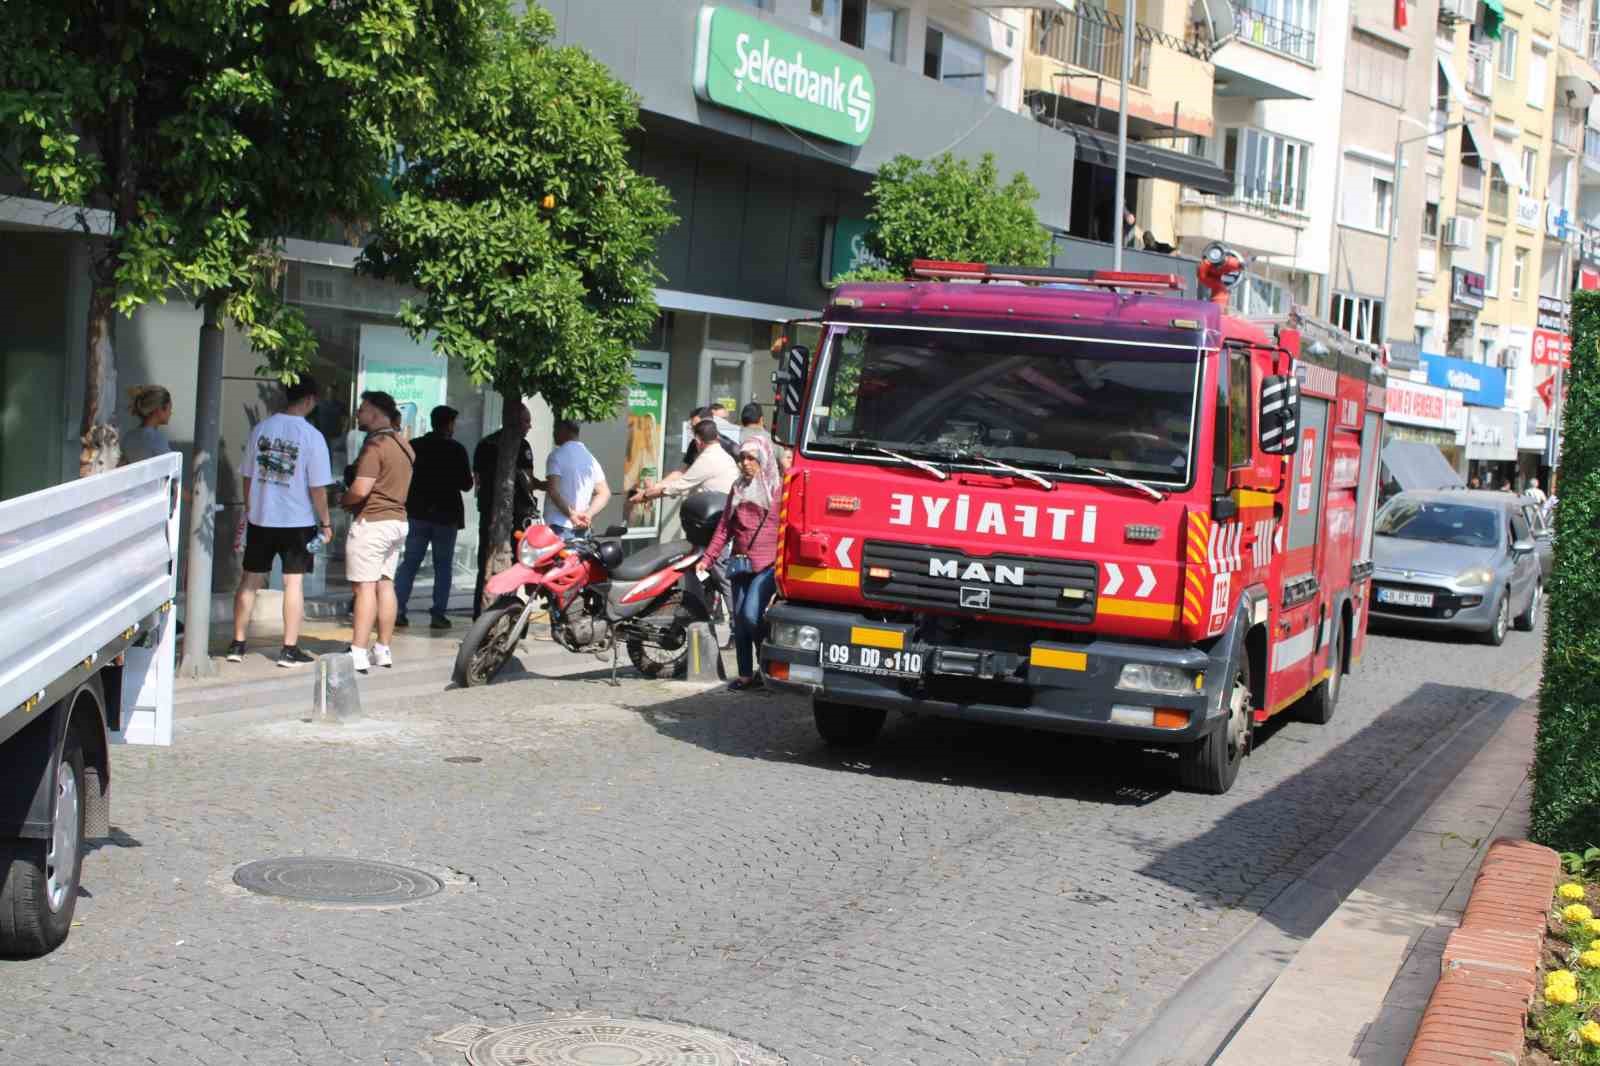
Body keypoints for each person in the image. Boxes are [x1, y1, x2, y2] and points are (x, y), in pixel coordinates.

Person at [228, 375, 334, 668]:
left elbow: (247, 475)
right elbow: (318, 488)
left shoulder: (262, 429)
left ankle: (237, 644)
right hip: (297, 521)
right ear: (310, 400)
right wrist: (325, 523)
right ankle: (288, 649)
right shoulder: (312, 436)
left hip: (261, 518)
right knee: (293, 584)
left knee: (249, 580)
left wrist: (251, 508)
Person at [698, 435, 781, 691]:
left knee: (751, 616)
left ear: (763, 459)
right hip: (740, 563)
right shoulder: (737, 488)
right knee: (739, 619)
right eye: (742, 458)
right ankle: (746, 674)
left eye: (751, 458)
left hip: (767, 565)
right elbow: (725, 527)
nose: (745, 463)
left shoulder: (778, 489)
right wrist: (707, 558)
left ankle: (767, 665)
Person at [342, 391, 415, 674]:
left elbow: (361, 489)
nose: (358, 414)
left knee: (364, 587)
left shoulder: (376, 445)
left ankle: (358, 651)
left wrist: (344, 499)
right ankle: (383, 648)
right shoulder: (404, 444)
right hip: (397, 520)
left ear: (374, 411)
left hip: (372, 522)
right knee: (385, 584)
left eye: (362, 409)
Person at [394, 405, 473, 629]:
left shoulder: (415, 446)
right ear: (449, 424)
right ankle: (438, 614)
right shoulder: (457, 450)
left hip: (418, 513)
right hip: (446, 516)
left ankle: (398, 610)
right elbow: (466, 485)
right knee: (443, 566)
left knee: (410, 563)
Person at [473, 404, 542, 618]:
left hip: (488, 512)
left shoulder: (484, 443)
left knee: (485, 560)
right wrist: (544, 485)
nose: (529, 426)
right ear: (513, 421)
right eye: (526, 421)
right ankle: (507, 612)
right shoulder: (520, 445)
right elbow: (528, 481)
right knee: (515, 565)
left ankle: (481, 611)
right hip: (515, 515)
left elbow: (477, 480)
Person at [636, 419, 739, 506]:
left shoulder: (708, 458)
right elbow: (682, 475)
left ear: (698, 441)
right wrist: (654, 488)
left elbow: (681, 484)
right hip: (723, 506)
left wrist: (647, 495)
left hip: (716, 512)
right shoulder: (723, 454)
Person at [543, 419, 612, 539]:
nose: (554, 433)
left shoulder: (556, 455)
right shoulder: (590, 458)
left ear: (564, 430)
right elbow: (604, 493)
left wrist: (572, 515)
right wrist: (588, 515)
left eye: (556, 428)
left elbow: (553, 490)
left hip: (558, 526)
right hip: (583, 528)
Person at [121, 385, 176, 465]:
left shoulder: (128, 437)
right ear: (159, 410)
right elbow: (171, 469)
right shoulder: (157, 439)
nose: (171, 413)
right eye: (169, 409)